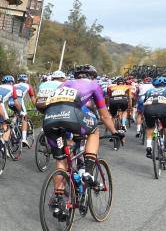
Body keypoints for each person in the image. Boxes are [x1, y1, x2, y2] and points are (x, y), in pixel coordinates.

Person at [42, 64, 124, 215]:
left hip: (49, 120)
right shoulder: (94, 85)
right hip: (72, 117)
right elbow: (105, 115)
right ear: (93, 76)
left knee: (61, 161)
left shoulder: (65, 83)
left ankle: (59, 201)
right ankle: (88, 170)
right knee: (94, 130)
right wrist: (115, 131)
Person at [142, 76, 166, 162]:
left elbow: (145, 103)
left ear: (155, 85)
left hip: (148, 110)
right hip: (163, 110)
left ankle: (149, 146)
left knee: (150, 127)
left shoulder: (149, 91)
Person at [106, 77, 132, 150]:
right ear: (124, 83)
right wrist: (130, 106)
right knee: (124, 111)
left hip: (113, 101)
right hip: (123, 100)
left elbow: (108, 97)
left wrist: (108, 106)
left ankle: (112, 131)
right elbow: (129, 97)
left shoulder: (111, 87)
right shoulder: (127, 86)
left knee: (113, 116)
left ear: (117, 83)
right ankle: (123, 125)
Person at [13, 73, 37, 146]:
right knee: (25, 117)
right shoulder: (28, 86)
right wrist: (37, 107)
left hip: (11, 102)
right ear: (26, 80)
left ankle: (13, 128)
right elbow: (33, 99)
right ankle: (24, 139)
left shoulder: (14, 85)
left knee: (17, 114)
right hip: (19, 101)